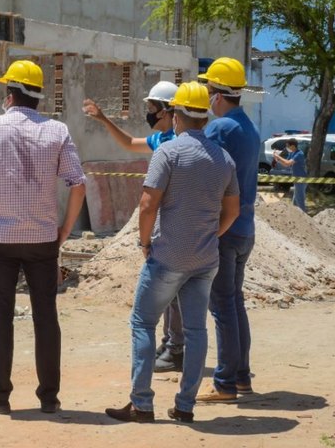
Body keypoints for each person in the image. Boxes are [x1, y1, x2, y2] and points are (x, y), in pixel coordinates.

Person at [105, 81, 240, 423]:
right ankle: (185, 405)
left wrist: (145, 242)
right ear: (205, 119)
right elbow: (233, 211)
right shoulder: (223, 159)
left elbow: (148, 204)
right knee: (196, 331)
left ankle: (142, 404)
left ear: (177, 115)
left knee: (143, 322)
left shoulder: (169, 152)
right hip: (206, 259)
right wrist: (213, 234)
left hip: (168, 256)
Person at [0, 59, 86, 415]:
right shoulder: (58, 132)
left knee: (0, 316)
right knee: (46, 316)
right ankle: (49, 398)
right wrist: (63, 230)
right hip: (44, 239)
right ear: (38, 97)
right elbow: (78, 184)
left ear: (9, 94)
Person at [82, 81, 186, 373]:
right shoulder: (162, 139)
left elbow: (148, 202)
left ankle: (176, 348)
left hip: (175, 226)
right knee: (171, 294)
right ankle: (171, 343)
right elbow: (129, 143)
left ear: (168, 111)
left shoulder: (176, 144)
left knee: (173, 292)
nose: (149, 113)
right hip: (169, 226)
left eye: (153, 108)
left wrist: (145, 241)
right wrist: (103, 119)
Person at [196, 57, 261, 403]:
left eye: (208, 90)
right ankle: (241, 377)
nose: (206, 97)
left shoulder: (220, 129)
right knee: (234, 303)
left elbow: (199, 164)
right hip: (245, 227)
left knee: (222, 306)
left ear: (218, 94)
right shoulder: (249, 127)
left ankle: (224, 383)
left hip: (223, 228)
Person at [273, 138, 307, 212]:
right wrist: (277, 159)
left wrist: (278, 156)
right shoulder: (292, 153)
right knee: (295, 202)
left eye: (288, 146)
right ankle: (296, 216)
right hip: (296, 179)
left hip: (301, 180)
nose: (286, 148)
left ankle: (304, 217)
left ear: (293, 146)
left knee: (300, 201)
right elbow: (286, 165)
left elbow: (288, 163)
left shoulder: (299, 154)